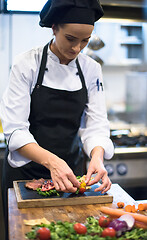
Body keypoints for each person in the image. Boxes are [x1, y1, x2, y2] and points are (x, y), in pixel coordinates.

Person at [0, 0, 114, 239]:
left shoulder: (91, 69)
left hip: (71, 174)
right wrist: (52, 163)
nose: (77, 49)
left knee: (71, 233)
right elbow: (15, 130)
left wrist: (97, 156)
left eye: (85, 41)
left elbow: (96, 124)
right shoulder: (26, 64)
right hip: (26, 173)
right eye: (71, 38)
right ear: (54, 28)